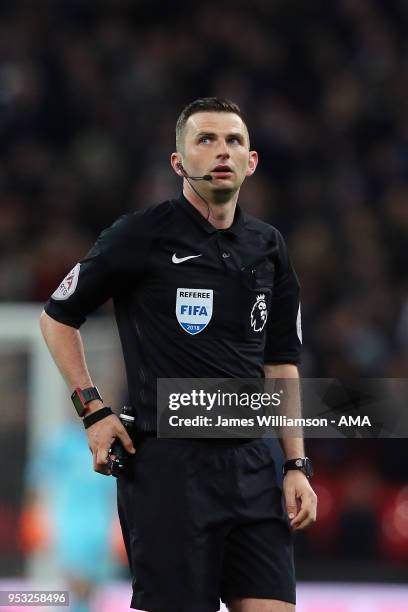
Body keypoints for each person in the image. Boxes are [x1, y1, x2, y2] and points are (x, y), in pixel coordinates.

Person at [40, 97, 317, 612]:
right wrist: (94, 411)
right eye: (205, 139)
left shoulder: (268, 246)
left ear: (251, 161)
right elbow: (56, 319)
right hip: (168, 468)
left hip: (252, 463)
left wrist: (296, 463)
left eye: (234, 141)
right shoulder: (140, 235)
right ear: (178, 161)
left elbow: (281, 362)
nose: (221, 152)